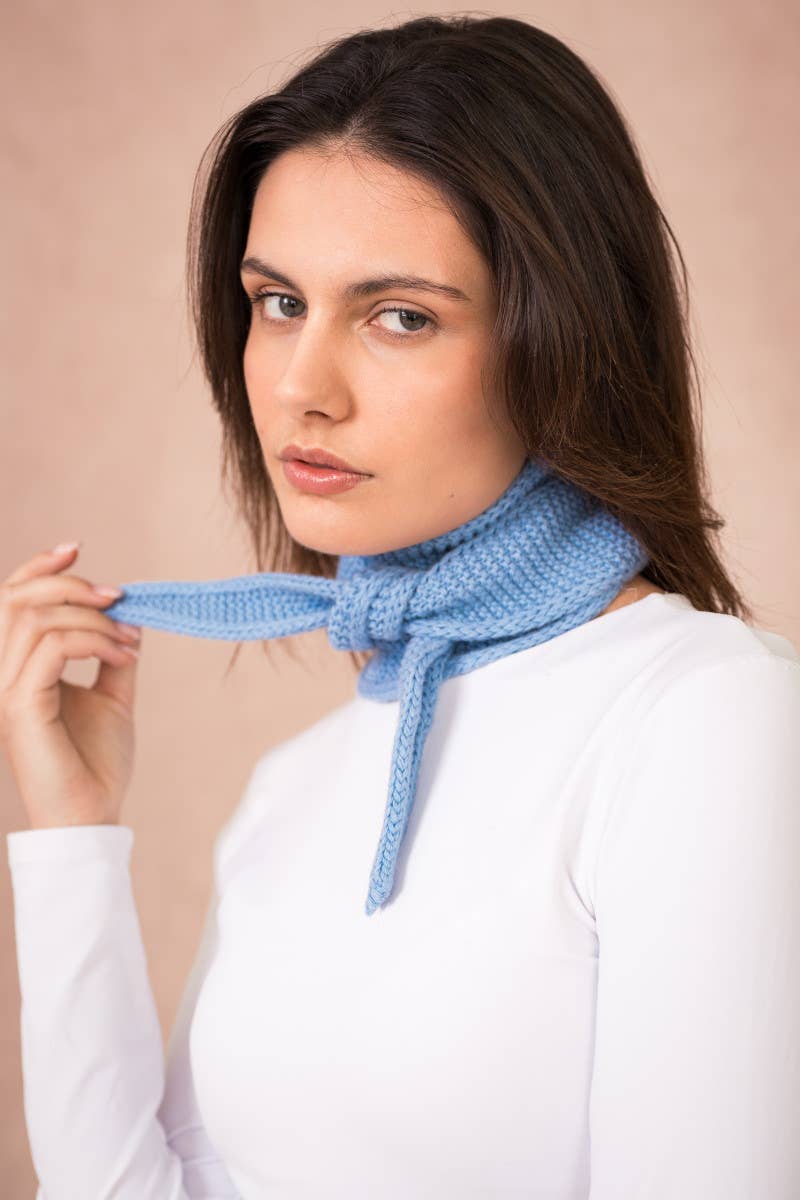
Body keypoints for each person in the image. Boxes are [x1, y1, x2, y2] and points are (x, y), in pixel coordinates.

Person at [3, 14, 799, 1199]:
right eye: (277, 302)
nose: (299, 387)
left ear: (560, 341)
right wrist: (72, 838)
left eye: (401, 317)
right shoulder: (296, 785)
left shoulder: (703, 719)